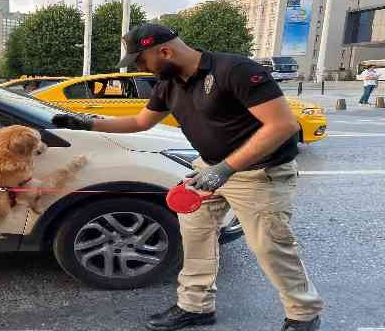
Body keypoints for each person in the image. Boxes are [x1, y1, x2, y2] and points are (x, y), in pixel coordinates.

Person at [52, 24, 323, 331]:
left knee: (271, 246)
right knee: (195, 238)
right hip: (207, 169)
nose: (139, 68)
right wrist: (87, 124)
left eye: (140, 61)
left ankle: (303, 314)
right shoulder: (168, 82)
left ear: (164, 51)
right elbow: (141, 122)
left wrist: (226, 169)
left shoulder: (235, 70)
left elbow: (282, 125)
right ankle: (196, 307)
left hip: (258, 174)